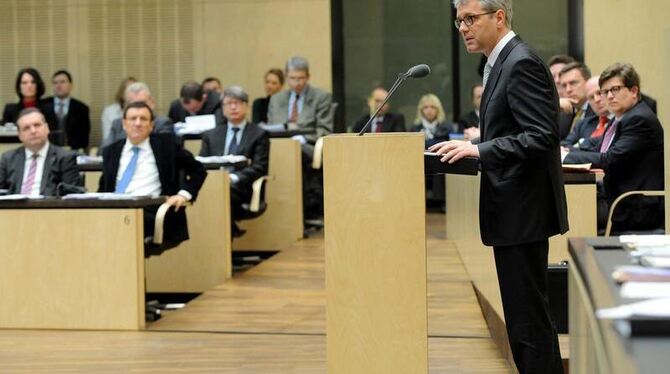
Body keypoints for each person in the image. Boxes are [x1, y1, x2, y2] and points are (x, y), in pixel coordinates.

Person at [430, 1, 568, 372]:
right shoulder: (498, 63)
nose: (462, 27)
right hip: (514, 211)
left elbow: (541, 136)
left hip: (523, 212)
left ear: (499, 16)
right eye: (459, 20)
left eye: (471, 19)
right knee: (526, 322)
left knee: (528, 324)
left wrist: (478, 149)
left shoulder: (520, 62)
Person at [563, 63, 663, 233]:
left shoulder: (639, 119)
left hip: (634, 207)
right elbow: (598, 144)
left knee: (571, 213)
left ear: (633, 91)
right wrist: (567, 151)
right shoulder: (622, 117)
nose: (609, 96)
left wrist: (564, 158)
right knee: (570, 206)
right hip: (619, 199)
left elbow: (609, 159)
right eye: (605, 91)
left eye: (615, 89)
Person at [99, 101, 207, 255]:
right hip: (114, 208)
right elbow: (103, 187)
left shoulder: (166, 146)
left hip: (150, 210)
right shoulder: (111, 151)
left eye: (143, 119)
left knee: (127, 223)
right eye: (133, 118)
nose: (138, 123)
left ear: (151, 125)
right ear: (124, 124)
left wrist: (183, 195)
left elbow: (198, 170)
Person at [267, 56, 333, 222]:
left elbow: (324, 130)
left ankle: (304, 211)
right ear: (286, 77)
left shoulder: (321, 97)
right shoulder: (276, 99)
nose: (297, 82)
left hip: (309, 145)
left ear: (308, 76)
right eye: (292, 78)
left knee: (298, 152)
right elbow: (271, 127)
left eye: (301, 78)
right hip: (280, 146)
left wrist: (302, 138)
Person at [200, 86, 270, 237]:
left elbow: (260, 167)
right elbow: (202, 164)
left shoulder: (258, 134)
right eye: (228, 103)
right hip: (213, 185)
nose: (233, 107)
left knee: (224, 191)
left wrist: (233, 178)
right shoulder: (211, 135)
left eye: (237, 103)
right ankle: (224, 234)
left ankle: (227, 235)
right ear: (222, 108)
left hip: (243, 187)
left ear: (246, 106)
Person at [0, 108, 80, 196]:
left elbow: (71, 197)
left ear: (47, 128)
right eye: (26, 128)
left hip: (50, 208)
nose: (33, 131)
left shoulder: (65, 158)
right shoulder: (8, 158)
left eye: (37, 125)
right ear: (20, 135)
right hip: (15, 209)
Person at [101, 82, 173, 148]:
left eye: (142, 103)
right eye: (134, 104)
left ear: (152, 103)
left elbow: (165, 151)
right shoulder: (117, 124)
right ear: (126, 107)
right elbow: (104, 150)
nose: (139, 108)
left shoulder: (163, 123)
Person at [43, 70, 91, 151]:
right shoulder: (43, 106)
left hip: (72, 151)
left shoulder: (81, 108)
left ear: (71, 85)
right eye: (55, 83)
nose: (59, 85)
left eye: (62, 82)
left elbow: (84, 137)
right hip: (47, 150)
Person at [562, 75, 610, 148]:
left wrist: (579, 146)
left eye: (599, 93)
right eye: (591, 97)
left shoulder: (621, 121)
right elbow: (563, 146)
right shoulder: (583, 124)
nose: (596, 100)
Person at [557, 61, 591, 139]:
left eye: (573, 83)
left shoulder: (598, 109)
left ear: (588, 82)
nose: (568, 90)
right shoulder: (564, 113)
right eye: (564, 85)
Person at [101, 77, 136, 143]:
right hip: (115, 147)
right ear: (122, 93)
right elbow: (107, 139)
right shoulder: (109, 111)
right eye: (128, 90)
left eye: (134, 91)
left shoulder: (145, 111)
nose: (131, 94)